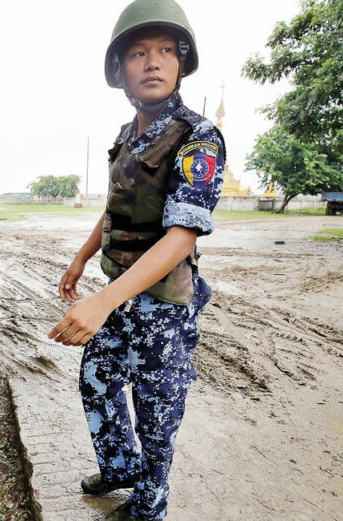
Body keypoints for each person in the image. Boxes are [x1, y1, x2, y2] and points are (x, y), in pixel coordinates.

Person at [47, 1, 225, 520]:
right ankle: (121, 468)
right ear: (119, 68)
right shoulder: (128, 136)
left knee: (156, 410)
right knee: (97, 381)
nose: (153, 61)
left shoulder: (198, 137)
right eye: (139, 52)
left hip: (162, 305)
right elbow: (115, 209)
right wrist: (82, 260)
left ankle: (151, 505)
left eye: (166, 50)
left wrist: (100, 302)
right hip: (119, 296)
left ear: (181, 62)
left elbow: (181, 236)